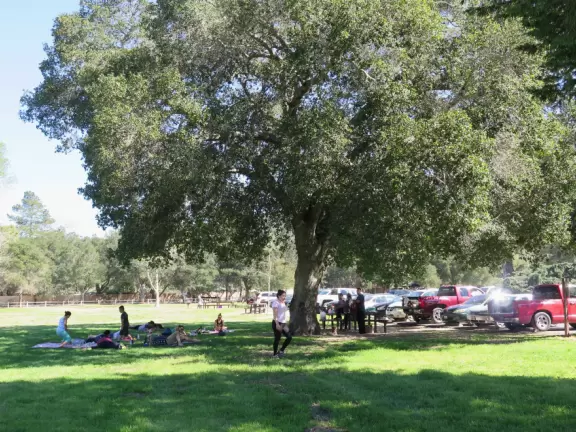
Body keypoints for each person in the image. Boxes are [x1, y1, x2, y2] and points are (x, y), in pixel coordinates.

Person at [271, 289, 292, 358]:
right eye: (283, 295)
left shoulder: (283, 302)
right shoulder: (276, 303)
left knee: (289, 337)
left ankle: (281, 350)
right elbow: (275, 315)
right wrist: (277, 324)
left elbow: (284, 311)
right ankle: (275, 354)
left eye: (285, 296)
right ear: (279, 296)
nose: (284, 297)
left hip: (283, 323)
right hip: (277, 322)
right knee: (277, 339)